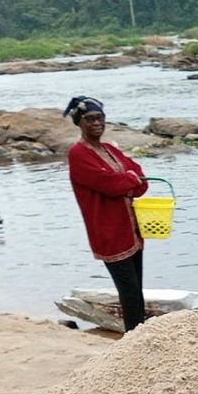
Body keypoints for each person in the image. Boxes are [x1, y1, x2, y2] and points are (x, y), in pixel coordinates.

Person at [65, 96, 150, 333]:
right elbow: (108, 183)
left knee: (136, 288)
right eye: (89, 119)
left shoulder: (109, 149)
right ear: (79, 123)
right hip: (109, 231)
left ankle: (138, 332)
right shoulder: (78, 153)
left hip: (131, 229)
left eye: (99, 118)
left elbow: (141, 179)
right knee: (129, 290)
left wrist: (128, 181)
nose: (96, 123)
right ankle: (135, 338)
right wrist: (128, 180)